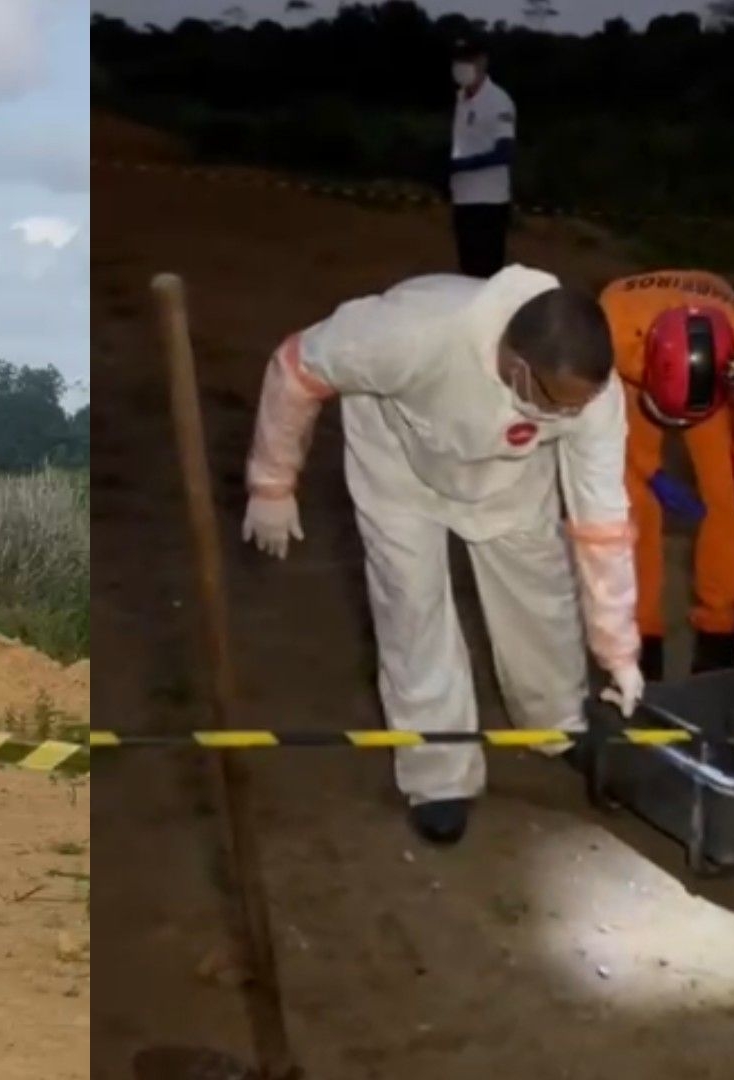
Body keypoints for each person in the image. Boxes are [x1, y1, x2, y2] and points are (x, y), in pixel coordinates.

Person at [241, 264, 643, 846]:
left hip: (511, 480)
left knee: (542, 602)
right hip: (400, 467)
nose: (571, 418)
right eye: (557, 404)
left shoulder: (593, 399)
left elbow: (602, 520)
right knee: (413, 612)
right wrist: (272, 482)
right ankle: (439, 776)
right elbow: (298, 366)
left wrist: (619, 650)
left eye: (580, 407)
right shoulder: (409, 332)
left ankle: (555, 725)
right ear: (517, 364)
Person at [602, 271, 734, 679]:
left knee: (728, 495)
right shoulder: (611, 331)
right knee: (629, 500)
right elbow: (598, 432)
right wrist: (648, 469)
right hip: (637, 368)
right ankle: (639, 638)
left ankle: (718, 632)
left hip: (717, 373)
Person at [448, 33, 516, 279]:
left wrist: (462, 165)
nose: (462, 66)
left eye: (469, 59)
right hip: (463, 199)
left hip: (489, 202)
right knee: (467, 272)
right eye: (459, 60)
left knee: (486, 275)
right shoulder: (460, 98)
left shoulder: (499, 101)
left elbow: (504, 152)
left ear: (483, 62)